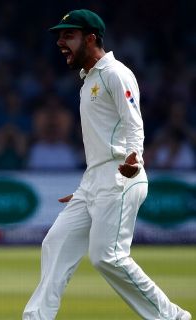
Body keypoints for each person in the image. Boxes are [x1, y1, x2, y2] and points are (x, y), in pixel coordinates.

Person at [22, 10, 191, 320]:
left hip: (121, 175)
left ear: (90, 38)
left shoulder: (115, 73)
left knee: (107, 258)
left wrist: (134, 157)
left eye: (68, 35)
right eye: (60, 36)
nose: (60, 42)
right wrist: (89, 185)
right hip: (95, 181)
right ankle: (36, 317)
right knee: (56, 242)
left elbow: (133, 121)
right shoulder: (88, 81)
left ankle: (173, 318)